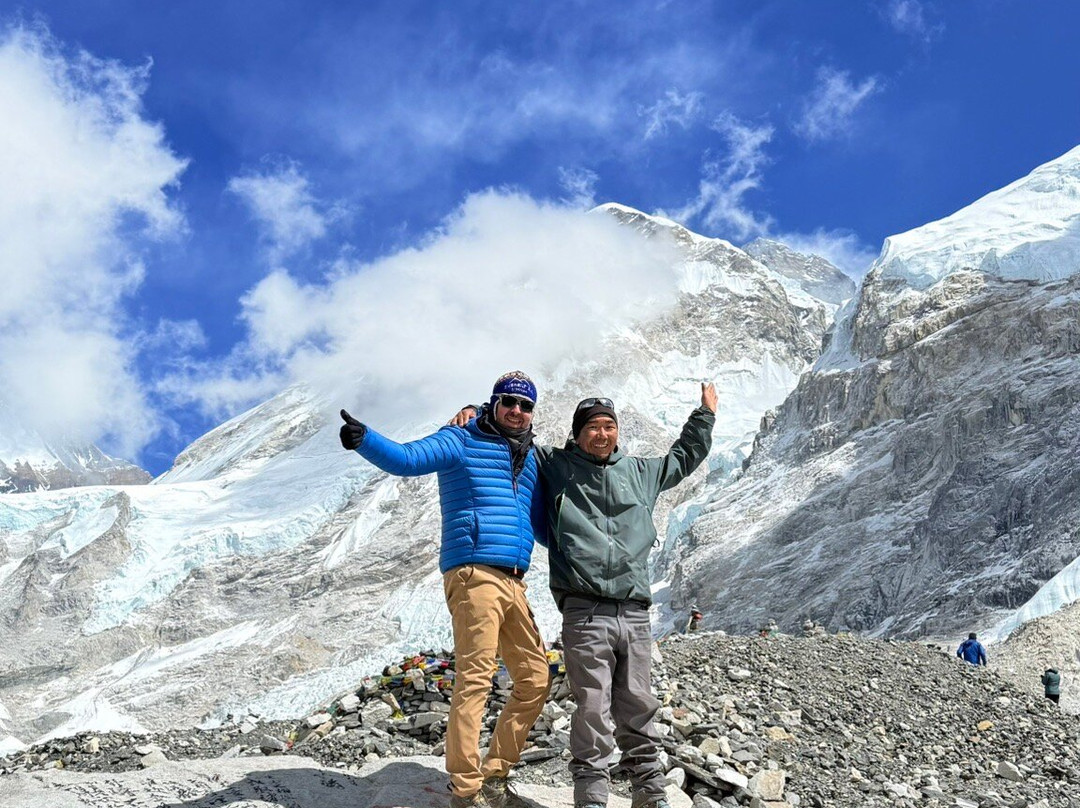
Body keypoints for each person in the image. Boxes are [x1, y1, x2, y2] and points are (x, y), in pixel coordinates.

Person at [454, 383, 716, 808]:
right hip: (585, 609)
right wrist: (476, 410)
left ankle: (650, 795)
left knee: (639, 705)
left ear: (617, 432)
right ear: (577, 434)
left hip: (634, 612)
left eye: (609, 426)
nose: (601, 434)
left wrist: (704, 415)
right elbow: (511, 434)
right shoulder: (555, 464)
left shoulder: (639, 472)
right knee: (592, 707)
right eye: (592, 427)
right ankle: (591, 798)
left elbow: (683, 458)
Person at [340, 371, 550, 808]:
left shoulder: (532, 459)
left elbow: (544, 526)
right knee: (476, 678)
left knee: (534, 677)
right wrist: (365, 440)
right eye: (508, 402)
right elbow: (407, 459)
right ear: (492, 404)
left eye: (525, 405)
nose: (516, 410)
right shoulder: (460, 439)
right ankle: (465, 790)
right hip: (473, 573)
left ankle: (495, 773)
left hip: (514, 581)